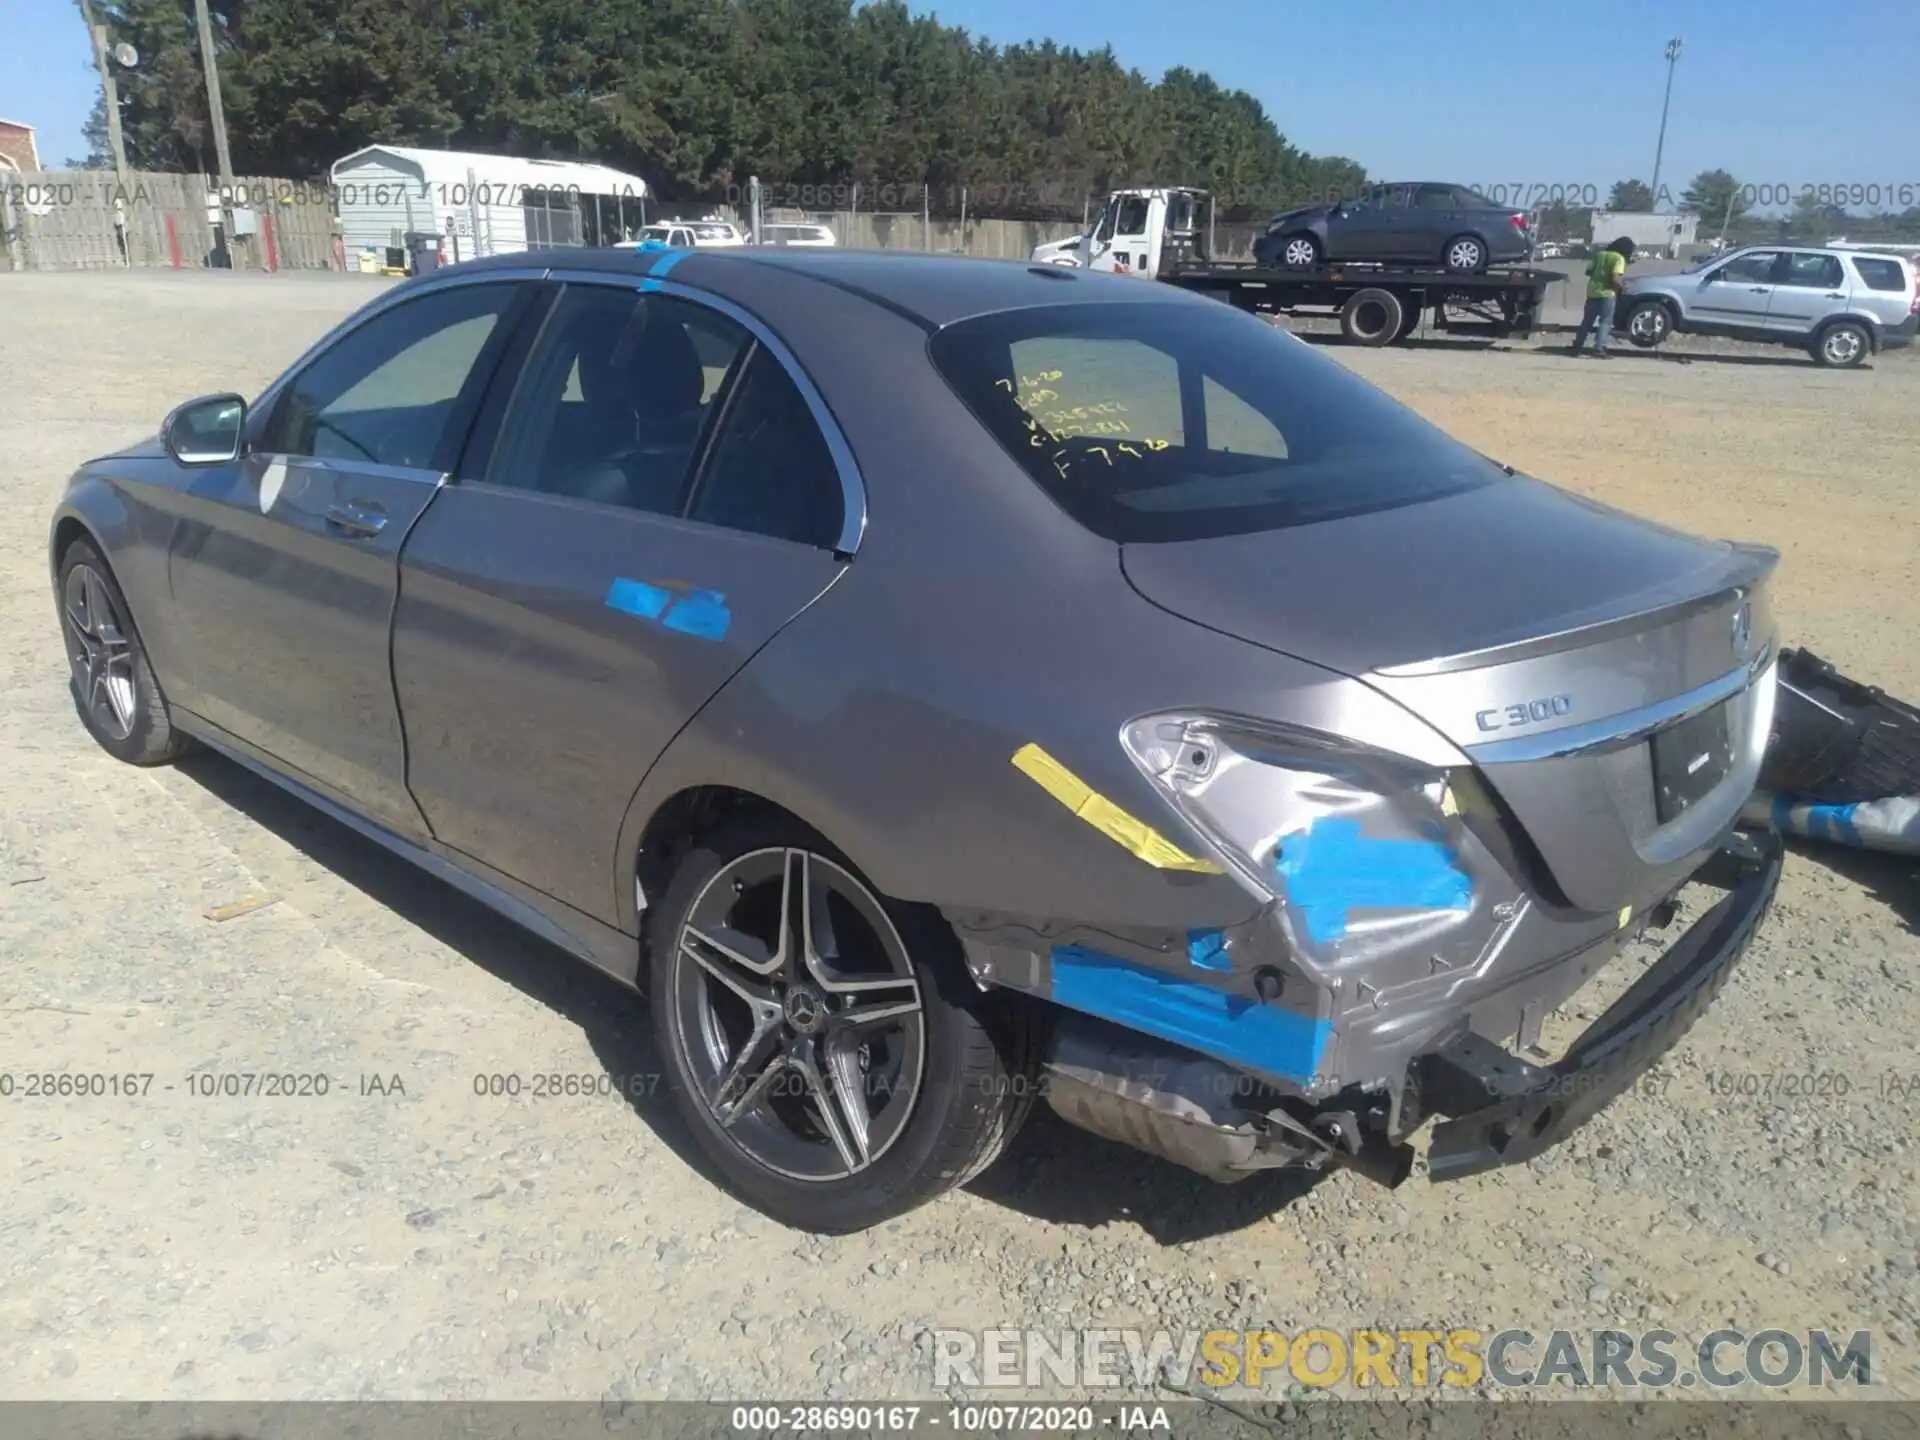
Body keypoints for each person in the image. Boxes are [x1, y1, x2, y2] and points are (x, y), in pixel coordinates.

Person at [1570, 236, 1636, 358]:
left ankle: (1577, 346)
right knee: (1605, 322)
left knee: (1587, 322)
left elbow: (1588, 272)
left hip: (1592, 292)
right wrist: (1623, 286)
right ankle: (1599, 348)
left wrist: (1600, 274)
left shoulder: (1599, 254)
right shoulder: (1619, 258)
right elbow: (1615, 278)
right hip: (1608, 294)